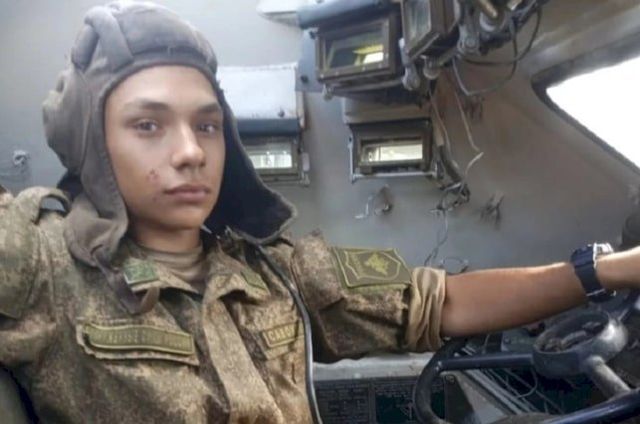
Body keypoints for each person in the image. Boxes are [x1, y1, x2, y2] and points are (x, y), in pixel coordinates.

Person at [0, 2, 639, 423]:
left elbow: (443, 301)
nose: (190, 152)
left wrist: (604, 271)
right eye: (148, 125)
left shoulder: (275, 272)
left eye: (208, 125)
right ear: (93, 142)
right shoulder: (43, 262)